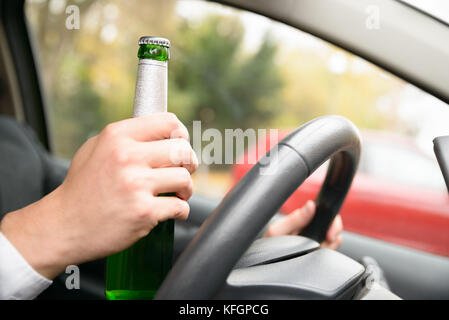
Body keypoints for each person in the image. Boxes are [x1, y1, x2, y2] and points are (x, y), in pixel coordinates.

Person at [0, 113, 342, 300]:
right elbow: (73, 215)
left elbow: (120, 242)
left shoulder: (14, 142)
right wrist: (51, 227)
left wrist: (253, 248)